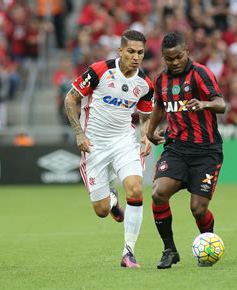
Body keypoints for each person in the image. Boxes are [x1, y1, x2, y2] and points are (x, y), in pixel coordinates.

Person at [64, 29, 153, 268]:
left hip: (124, 141)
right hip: (95, 145)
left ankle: (129, 252)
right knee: (101, 210)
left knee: (135, 189)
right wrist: (79, 133)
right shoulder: (100, 71)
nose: (136, 57)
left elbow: (145, 116)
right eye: (131, 51)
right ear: (121, 51)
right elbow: (70, 99)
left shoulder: (144, 84)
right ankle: (112, 201)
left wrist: (145, 137)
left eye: (141, 53)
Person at [146, 32, 226, 269]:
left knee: (198, 209)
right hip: (177, 148)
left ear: (187, 52)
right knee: (158, 193)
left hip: (206, 152)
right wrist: (151, 131)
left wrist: (205, 104)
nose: (175, 62)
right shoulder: (161, 81)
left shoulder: (201, 73)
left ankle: (208, 241)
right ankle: (169, 250)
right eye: (169, 59)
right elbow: (159, 105)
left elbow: (221, 103)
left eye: (179, 56)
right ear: (163, 58)